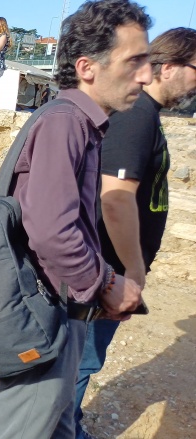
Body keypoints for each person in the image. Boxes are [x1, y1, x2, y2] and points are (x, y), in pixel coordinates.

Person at [0, 1, 151, 437]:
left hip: (61, 312)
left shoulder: (81, 124)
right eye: (134, 61)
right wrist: (107, 285)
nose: (146, 75)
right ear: (87, 67)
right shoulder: (66, 124)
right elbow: (53, 231)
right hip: (45, 321)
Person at [74, 26, 196, 439]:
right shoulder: (137, 116)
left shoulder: (145, 114)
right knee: (82, 360)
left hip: (112, 267)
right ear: (170, 66)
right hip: (108, 270)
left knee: (84, 358)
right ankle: (61, 429)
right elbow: (115, 199)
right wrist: (132, 271)